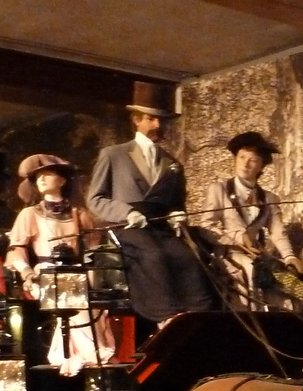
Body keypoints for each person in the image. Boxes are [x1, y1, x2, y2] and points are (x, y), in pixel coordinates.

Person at [85, 81, 218, 322]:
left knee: (187, 256)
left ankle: (197, 317)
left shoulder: (171, 162)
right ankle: (165, 317)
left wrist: (178, 214)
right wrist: (126, 213)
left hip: (159, 226)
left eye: (161, 120)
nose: (158, 125)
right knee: (152, 255)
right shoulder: (114, 155)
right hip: (127, 228)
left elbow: (176, 202)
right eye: (151, 119)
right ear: (136, 120)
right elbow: (95, 199)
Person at [6, 154, 115, 376]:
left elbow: (92, 247)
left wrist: (92, 270)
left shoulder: (78, 213)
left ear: (63, 181)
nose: (42, 180)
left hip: (75, 271)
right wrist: (27, 273)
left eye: (48, 174)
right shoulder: (30, 213)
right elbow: (16, 249)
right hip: (46, 273)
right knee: (75, 300)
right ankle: (92, 355)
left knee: (93, 301)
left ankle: (74, 355)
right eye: (38, 178)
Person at [194, 132, 303, 309]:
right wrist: (238, 237)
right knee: (251, 270)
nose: (245, 163)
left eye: (253, 160)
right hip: (229, 254)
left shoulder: (269, 198)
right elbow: (206, 226)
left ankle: (296, 320)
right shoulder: (219, 190)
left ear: (261, 166)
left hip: (258, 255)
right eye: (241, 157)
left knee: (288, 279)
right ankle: (252, 320)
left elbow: (277, 231)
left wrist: (289, 256)